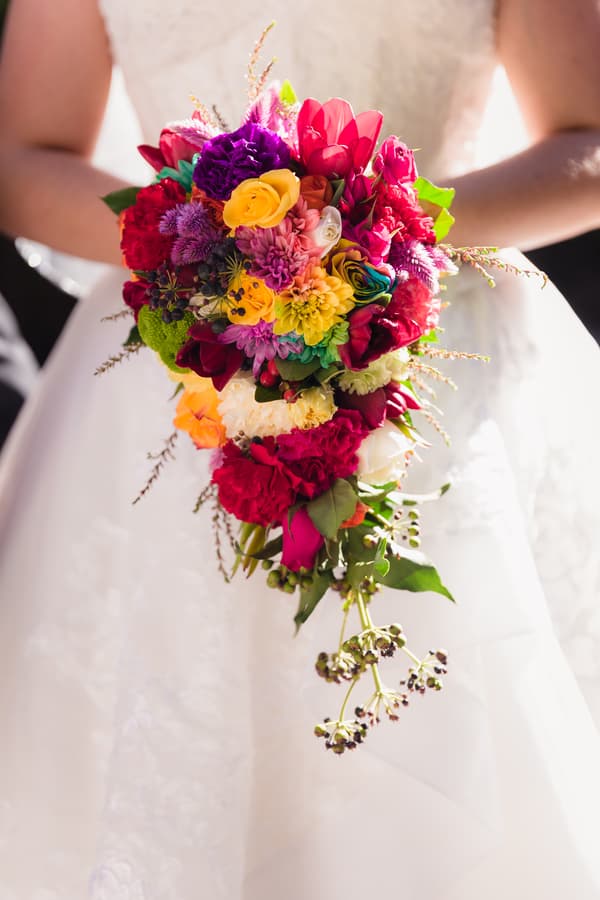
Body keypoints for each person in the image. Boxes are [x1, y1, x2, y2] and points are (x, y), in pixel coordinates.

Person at [0, 0, 599, 897]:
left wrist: (376, 242)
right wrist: (209, 266)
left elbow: (587, 138)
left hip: (429, 353)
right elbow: (23, 158)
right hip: (173, 360)